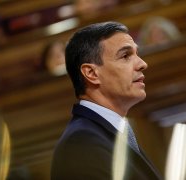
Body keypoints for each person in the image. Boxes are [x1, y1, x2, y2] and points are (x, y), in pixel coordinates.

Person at [51, 21, 162, 179]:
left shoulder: (103, 132)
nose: (142, 64)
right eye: (125, 56)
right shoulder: (81, 145)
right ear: (91, 73)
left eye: (137, 54)